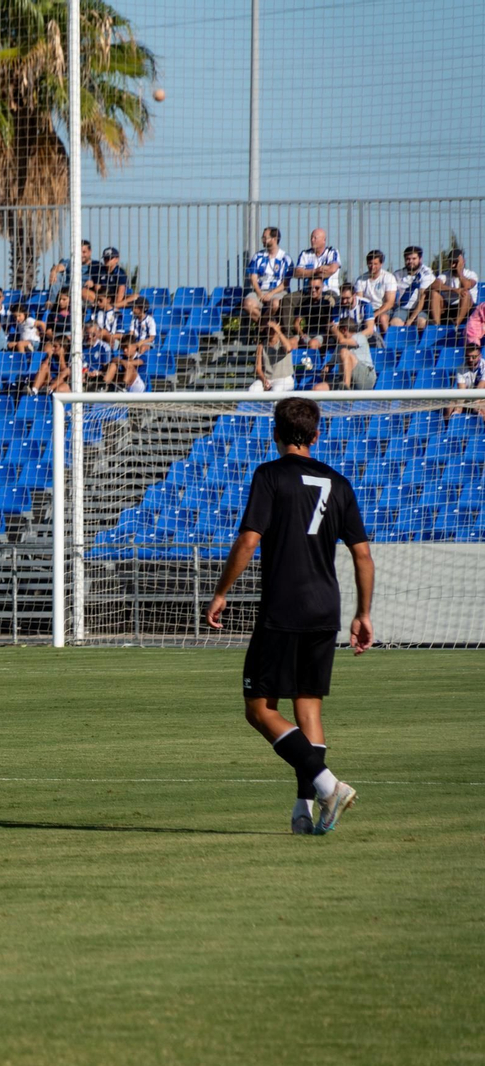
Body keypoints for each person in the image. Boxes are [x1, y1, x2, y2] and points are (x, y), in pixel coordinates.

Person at [204, 396, 372, 835]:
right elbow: (363, 556)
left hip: (283, 608)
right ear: (317, 435)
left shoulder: (270, 474)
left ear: (275, 433)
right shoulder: (339, 482)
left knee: (259, 709)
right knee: (308, 707)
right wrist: (364, 613)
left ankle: (328, 784)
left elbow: (248, 540)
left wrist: (222, 591)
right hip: (326, 609)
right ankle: (304, 810)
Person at [243, 227, 292, 330]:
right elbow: (253, 278)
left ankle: (261, 327)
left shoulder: (285, 258)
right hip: (260, 290)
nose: (263, 240)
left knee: (275, 304)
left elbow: (285, 283)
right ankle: (267, 326)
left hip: (277, 292)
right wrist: (259, 293)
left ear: (274, 239)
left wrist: (271, 294)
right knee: (248, 304)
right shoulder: (258, 256)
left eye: (265, 237)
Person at [429, 249, 477, 328]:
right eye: (451, 262)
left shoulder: (471, 274)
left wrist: (459, 272)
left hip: (467, 308)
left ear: (462, 262)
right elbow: (434, 285)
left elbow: (466, 286)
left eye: (455, 262)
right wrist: (454, 290)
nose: (452, 265)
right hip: (448, 307)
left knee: (465, 294)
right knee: (434, 294)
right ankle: (436, 326)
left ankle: (456, 324)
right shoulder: (445, 275)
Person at [248, 318, 298, 394]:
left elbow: (288, 349)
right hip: (268, 379)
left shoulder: (284, 342)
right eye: (267, 329)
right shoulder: (261, 346)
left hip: (284, 379)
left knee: (276, 390)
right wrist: (264, 380)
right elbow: (258, 368)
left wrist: (278, 331)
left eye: (272, 329)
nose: (270, 331)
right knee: (252, 389)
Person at [354, 250, 397, 334]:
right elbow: (359, 300)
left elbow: (389, 303)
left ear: (381, 264)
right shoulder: (361, 280)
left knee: (382, 318)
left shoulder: (388, 278)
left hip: (383, 309)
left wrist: (374, 314)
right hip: (366, 309)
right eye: (370, 263)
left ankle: (387, 343)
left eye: (375, 264)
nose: (372, 266)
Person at [390, 245, 434, 329]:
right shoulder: (397, 275)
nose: (410, 261)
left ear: (420, 259)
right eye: (408, 259)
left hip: (420, 309)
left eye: (414, 259)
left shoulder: (426, 274)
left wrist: (411, 319)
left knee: (420, 322)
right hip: (402, 308)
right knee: (394, 323)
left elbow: (422, 298)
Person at [444, 343, 485, 421]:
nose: (470, 360)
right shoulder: (460, 368)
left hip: (482, 396)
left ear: (480, 356)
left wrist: (475, 403)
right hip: (468, 396)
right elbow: (461, 390)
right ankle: (447, 428)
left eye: (473, 357)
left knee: (480, 408)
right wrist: (458, 407)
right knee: (450, 406)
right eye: (467, 357)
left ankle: (481, 431)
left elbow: (480, 388)